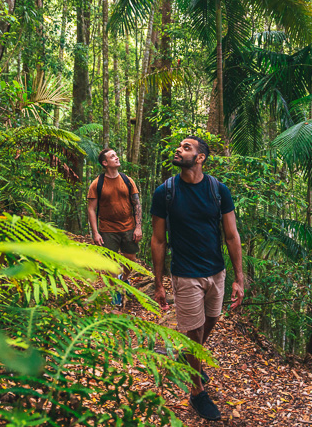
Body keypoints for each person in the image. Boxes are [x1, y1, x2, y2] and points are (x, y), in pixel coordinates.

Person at [150, 136, 245, 421]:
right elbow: (157, 240)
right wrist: (158, 284)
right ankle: (197, 391)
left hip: (216, 271)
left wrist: (239, 278)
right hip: (185, 273)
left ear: (200, 157)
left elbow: (231, 235)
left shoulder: (218, 190)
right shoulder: (165, 192)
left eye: (186, 147)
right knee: (194, 331)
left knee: (211, 321)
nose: (179, 150)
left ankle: (186, 358)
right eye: (180, 147)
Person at [87, 148, 143, 305]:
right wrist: (95, 233)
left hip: (128, 227)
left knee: (130, 259)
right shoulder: (97, 184)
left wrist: (138, 227)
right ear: (105, 163)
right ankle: (116, 293)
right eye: (113, 156)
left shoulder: (128, 180)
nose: (117, 157)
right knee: (110, 263)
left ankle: (124, 279)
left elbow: (137, 204)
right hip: (107, 229)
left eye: (116, 155)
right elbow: (91, 209)